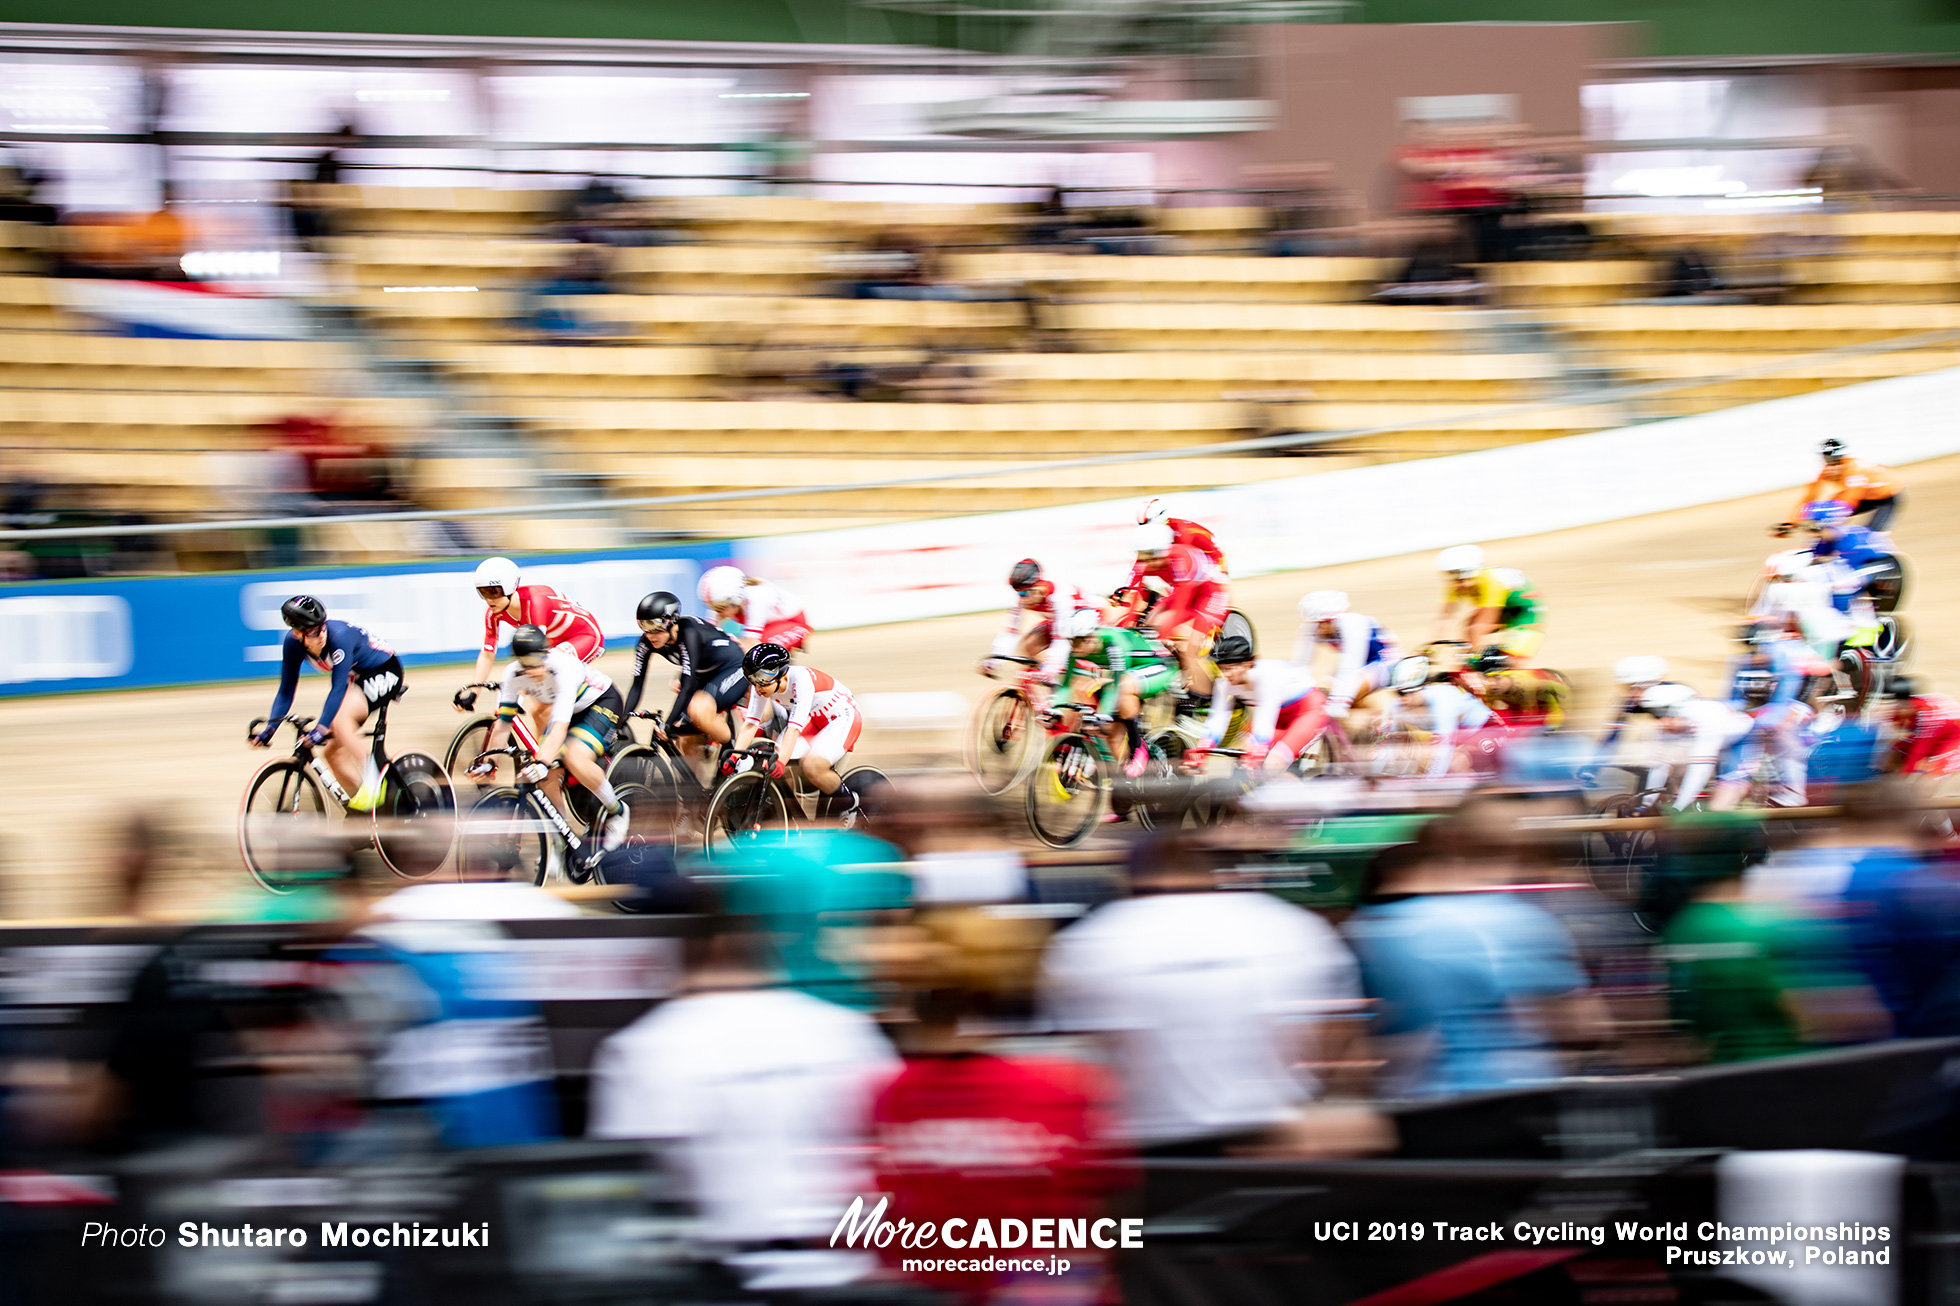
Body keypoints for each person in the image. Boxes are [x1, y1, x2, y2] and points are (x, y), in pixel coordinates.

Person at [588, 908, 900, 1292]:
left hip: (725, 1274)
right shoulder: (844, 1032)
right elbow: (889, 1152)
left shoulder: (643, 1048)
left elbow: (622, 1183)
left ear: (694, 956)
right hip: (848, 1268)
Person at [1041, 835, 1374, 1155]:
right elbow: (1342, 1043)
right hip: (1275, 1141)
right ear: (1213, 873)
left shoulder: (1088, 944)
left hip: (1150, 1148)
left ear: (1129, 879)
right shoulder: (1292, 927)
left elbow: (1074, 1067)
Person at [470, 624, 630, 852]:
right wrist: (490, 762)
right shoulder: (512, 674)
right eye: (528, 664)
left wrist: (542, 762)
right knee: (545, 777)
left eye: (539, 660)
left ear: (546, 653)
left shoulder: (563, 668)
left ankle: (617, 811)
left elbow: (559, 727)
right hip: (566, 711)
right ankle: (561, 840)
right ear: (518, 662)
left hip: (600, 703)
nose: (535, 669)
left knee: (573, 756)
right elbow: (504, 722)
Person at [250, 595, 404, 811]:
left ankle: (374, 781)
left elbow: (338, 688)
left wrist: (320, 729)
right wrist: (269, 729)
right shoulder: (292, 645)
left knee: (340, 718)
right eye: (313, 631)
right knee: (332, 753)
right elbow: (285, 691)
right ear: (297, 633)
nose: (321, 634)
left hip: (385, 670)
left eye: (321, 627)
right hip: (357, 679)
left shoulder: (339, 637)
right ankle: (370, 811)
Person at [457, 556, 604, 719]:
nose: (489, 599)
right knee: (538, 711)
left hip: (584, 636)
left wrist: (516, 693)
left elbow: (536, 658)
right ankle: (546, 744)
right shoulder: (493, 613)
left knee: (551, 697)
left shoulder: (535, 602)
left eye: (494, 591)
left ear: (509, 588)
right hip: (553, 640)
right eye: (483, 593)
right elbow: (487, 654)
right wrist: (473, 693)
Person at [731, 642, 864, 818]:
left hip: (842, 717)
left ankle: (850, 805)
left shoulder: (800, 679)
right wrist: (735, 756)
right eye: (752, 679)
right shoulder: (762, 686)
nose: (757, 687)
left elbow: (793, 729)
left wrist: (781, 760)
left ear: (779, 674)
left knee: (812, 766)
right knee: (775, 759)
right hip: (814, 719)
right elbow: (750, 724)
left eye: (761, 678)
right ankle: (791, 819)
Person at [621, 590, 747, 760]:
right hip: (703, 673)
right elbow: (637, 684)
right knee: (684, 737)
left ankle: (734, 752)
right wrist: (621, 720)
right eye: (644, 627)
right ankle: (696, 786)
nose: (650, 634)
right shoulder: (646, 642)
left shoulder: (688, 633)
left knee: (699, 711)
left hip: (732, 666)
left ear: (671, 621)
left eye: (655, 626)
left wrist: (667, 723)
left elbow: (687, 687)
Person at [1051, 606, 1174, 778]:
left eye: (1078, 641)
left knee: (1122, 686)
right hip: (1131, 675)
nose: (1075, 648)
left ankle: (1138, 745)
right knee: (1112, 736)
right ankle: (1125, 782)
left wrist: (1102, 715)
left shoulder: (1113, 642)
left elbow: (1117, 684)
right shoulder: (1077, 649)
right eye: (1071, 642)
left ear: (1091, 636)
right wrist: (1054, 709)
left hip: (1159, 668)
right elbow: (1065, 685)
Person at [1186, 635, 1328, 776]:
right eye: (1221, 669)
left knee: (1272, 765)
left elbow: (1265, 717)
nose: (1225, 675)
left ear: (1248, 664)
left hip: (1308, 711)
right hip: (1277, 715)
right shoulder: (1224, 683)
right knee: (1244, 765)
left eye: (1229, 668)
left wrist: (1258, 749)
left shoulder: (1266, 676)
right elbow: (1218, 718)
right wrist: (1202, 750)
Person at [1131, 522, 1229, 695]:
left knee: (1189, 649)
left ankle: (1205, 699)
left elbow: (1181, 605)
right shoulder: (1146, 560)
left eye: (1152, 556)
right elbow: (1131, 592)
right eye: (1144, 556)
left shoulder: (1181, 557)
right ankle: (1177, 673)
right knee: (1150, 622)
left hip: (1211, 593)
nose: (1148, 562)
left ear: (1165, 550)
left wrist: (1166, 635)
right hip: (1185, 592)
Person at [1378, 654, 1499, 779]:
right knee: (1422, 758)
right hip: (1462, 735)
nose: (1404, 699)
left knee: (1454, 764)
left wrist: (1430, 782)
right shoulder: (1396, 706)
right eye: (1399, 693)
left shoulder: (1442, 700)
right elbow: (1386, 742)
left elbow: (1443, 751)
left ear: (1421, 688)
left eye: (1407, 693)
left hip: (1486, 728)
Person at [1639, 682, 1755, 811]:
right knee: (1678, 772)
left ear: (1681, 709)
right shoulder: (1670, 721)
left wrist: (1679, 807)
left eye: (1664, 714)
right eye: (1655, 715)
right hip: (1713, 742)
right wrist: (1646, 804)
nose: (1662, 723)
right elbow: (1659, 766)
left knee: (1718, 807)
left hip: (1740, 740)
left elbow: (1700, 769)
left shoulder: (1706, 719)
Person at [1710, 668, 1814, 809]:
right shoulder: (1735, 710)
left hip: (1789, 750)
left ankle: (1791, 792)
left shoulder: (1789, 709)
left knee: (1785, 745)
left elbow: (1800, 721)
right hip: (1748, 752)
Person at [1293, 590, 1399, 722]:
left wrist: (1339, 703)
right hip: (1361, 662)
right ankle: (1374, 722)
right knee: (1331, 695)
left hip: (1384, 660)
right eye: (1315, 623)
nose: (1318, 628)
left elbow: (1350, 666)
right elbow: (1301, 664)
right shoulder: (1312, 627)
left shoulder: (1354, 625)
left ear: (1334, 619)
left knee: (1348, 695)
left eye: (1322, 623)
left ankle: (1385, 724)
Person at [1432, 545, 1543, 660]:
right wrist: (1430, 649)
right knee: (1469, 630)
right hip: (1503, 609)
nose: (1457, 584)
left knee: (1509, 658)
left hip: (1525, 610)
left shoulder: (1490, 582)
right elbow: (1444, 618)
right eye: (1451, 575)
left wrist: (1474, 656)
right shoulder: (1455, 585)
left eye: (1460, 576)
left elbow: (1484, 623)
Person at [984, 558, 1088, 675]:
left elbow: (1061, 639)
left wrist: (1051, 668)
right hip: (1063, 623)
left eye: (1025, 593)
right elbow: (1011, 632)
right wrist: (994, 660)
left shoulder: (1059, 598)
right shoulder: (1023, 599)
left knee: (1075, 651)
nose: (1022, 598)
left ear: (1039, 586)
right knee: (1029, 644)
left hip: (1085, 620)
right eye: (1019, 593)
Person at [1780, 438, 1901, 534]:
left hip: (1887, 496)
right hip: (1864, 495)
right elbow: (1809, 498)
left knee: (1873, 534)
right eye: (1829, 463)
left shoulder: (1855, 470)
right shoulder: (1825, 472)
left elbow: (1851, 499)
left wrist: (1833, 522)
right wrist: (1791, 522)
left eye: (1837, 463)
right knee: (1825, 511)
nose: (1832, 468)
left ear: (1844, 460)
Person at [698, 564, 810, 653]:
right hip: (768, 625)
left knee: (759, 653)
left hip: (793, 622)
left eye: (720, 608)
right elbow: (708, 635)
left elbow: (750, 643)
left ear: (736, 600)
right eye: (712, 607)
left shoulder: (756, 597)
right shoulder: (723, 600)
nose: (718, 612)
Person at [1883, 676, 1960, 779]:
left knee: (1926, 782)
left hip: (1953, 739)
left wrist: (1902, 778)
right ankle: (1887, 778)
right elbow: (1888, 726)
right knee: (1893, 753)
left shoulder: (1928, 716)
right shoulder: (1904, 705)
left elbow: (1918, 751)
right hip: (1937, 730)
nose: (1900, 710)